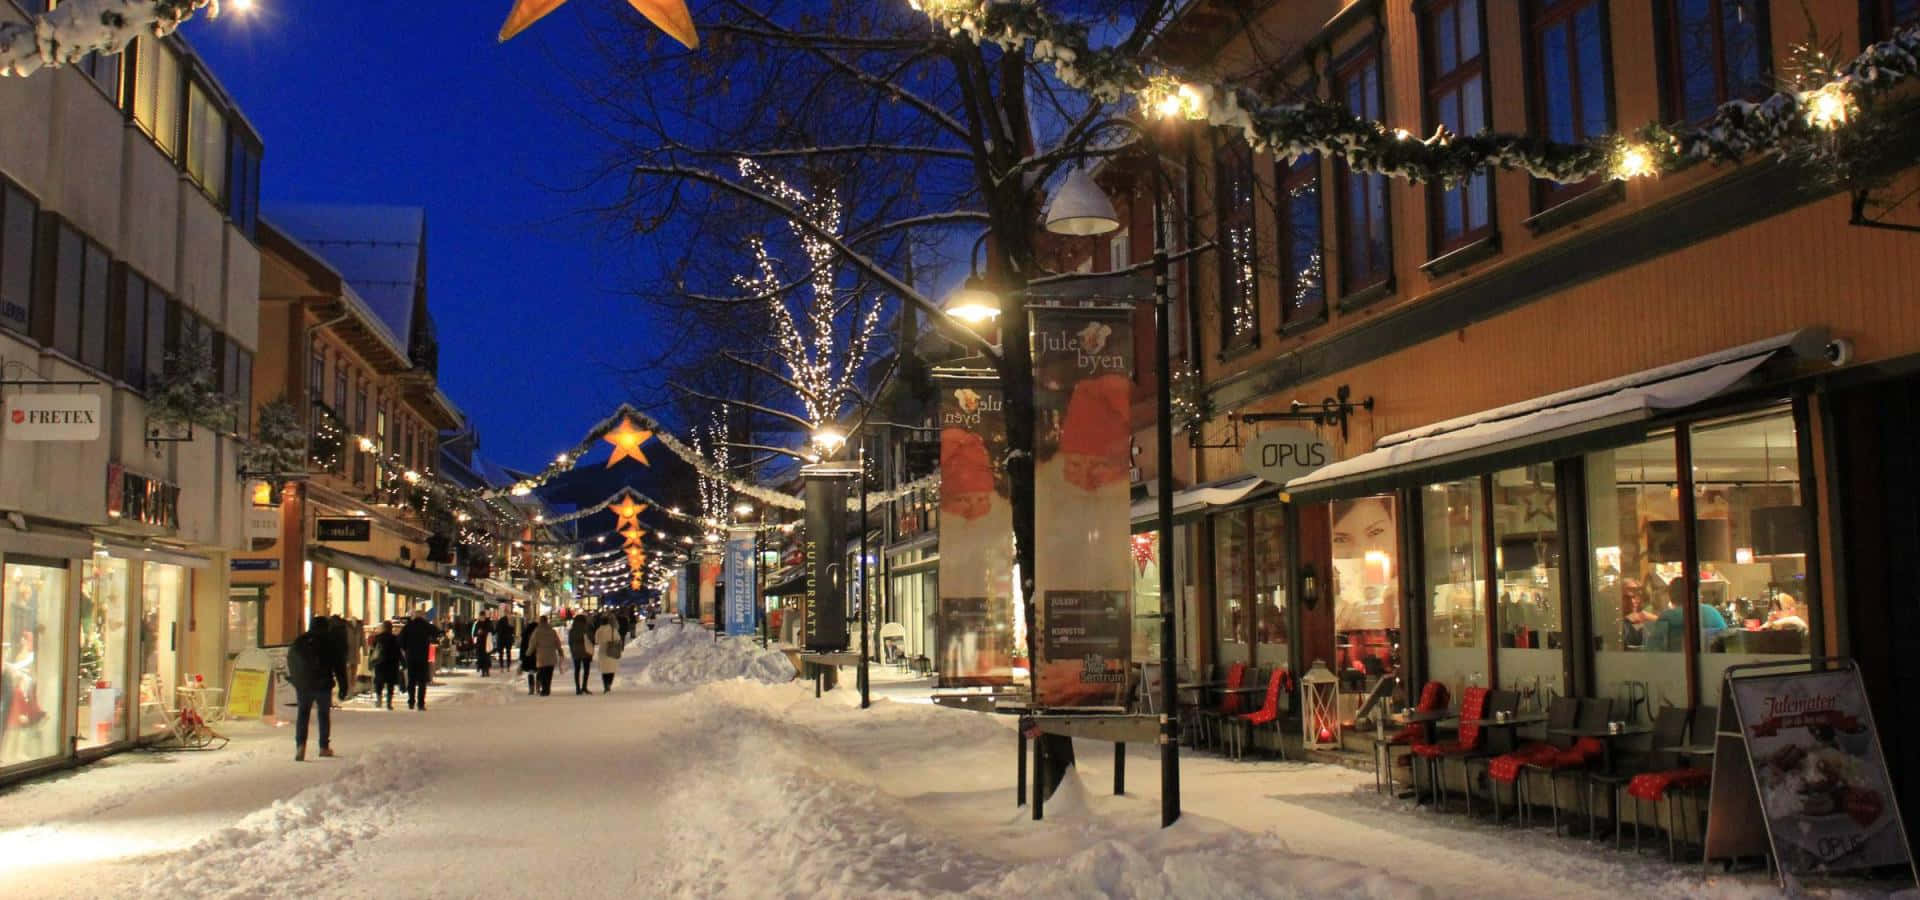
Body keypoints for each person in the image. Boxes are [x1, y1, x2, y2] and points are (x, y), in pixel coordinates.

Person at [287, 618, 349, 761]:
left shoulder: (300, 641)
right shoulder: (330, 642)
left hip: (304, 685)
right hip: (323, 684)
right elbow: (339, 666)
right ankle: (323, 747)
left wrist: (296, 680)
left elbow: (291, 660)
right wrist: (343, 686)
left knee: (303, 714)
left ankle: (300, 746)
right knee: (323, 715)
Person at [399, 613, 440, 711]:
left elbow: (400, 641)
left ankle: (411, 702)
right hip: (423, 656)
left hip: (411, 657)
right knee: (422, 681)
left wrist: (406, 649)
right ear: (422, 617)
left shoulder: (408, 626)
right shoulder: (426, 625)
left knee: (411, 680)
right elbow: (437, 632)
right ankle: (421, 703)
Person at [369, 621, 404, 710]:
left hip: (380, 663)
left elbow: (373, 652)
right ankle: (389, 703)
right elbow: (398, 652)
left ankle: (379, 700)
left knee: (379, 683)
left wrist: (371, 663)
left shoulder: (377, 638)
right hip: (392, 664)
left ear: (383, 628)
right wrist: (403, 663)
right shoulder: (395, 639)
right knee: (390, 684)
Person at [528, 615, 562, 696]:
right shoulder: (552, 631)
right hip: (551, 654)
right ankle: (547, 688)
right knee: (549, 673)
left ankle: (544, 689)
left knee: (542, 673)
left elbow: (532, 643)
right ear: (547, 621)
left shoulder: (537, 631)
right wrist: (560, 651)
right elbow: (557, 642)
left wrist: (529, 652)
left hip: (541, 655)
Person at [568, 613, 596, 695]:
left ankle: (577, 688)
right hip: (586, 651)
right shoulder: (587, 628)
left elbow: (570, 641)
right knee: (586, 670)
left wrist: (572, 650)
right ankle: (584, 687)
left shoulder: (572, 630)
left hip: (576, 651)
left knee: (577, 670)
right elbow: (592, 639)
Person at [594, 614, 622, 693]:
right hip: (612, 651)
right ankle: (609, 684)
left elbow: (596, 641)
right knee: (611, 670)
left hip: (602, 651)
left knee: (604, 671)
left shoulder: (599, 630)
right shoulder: (613, 630)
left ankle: (605, 685)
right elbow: (618, 639)